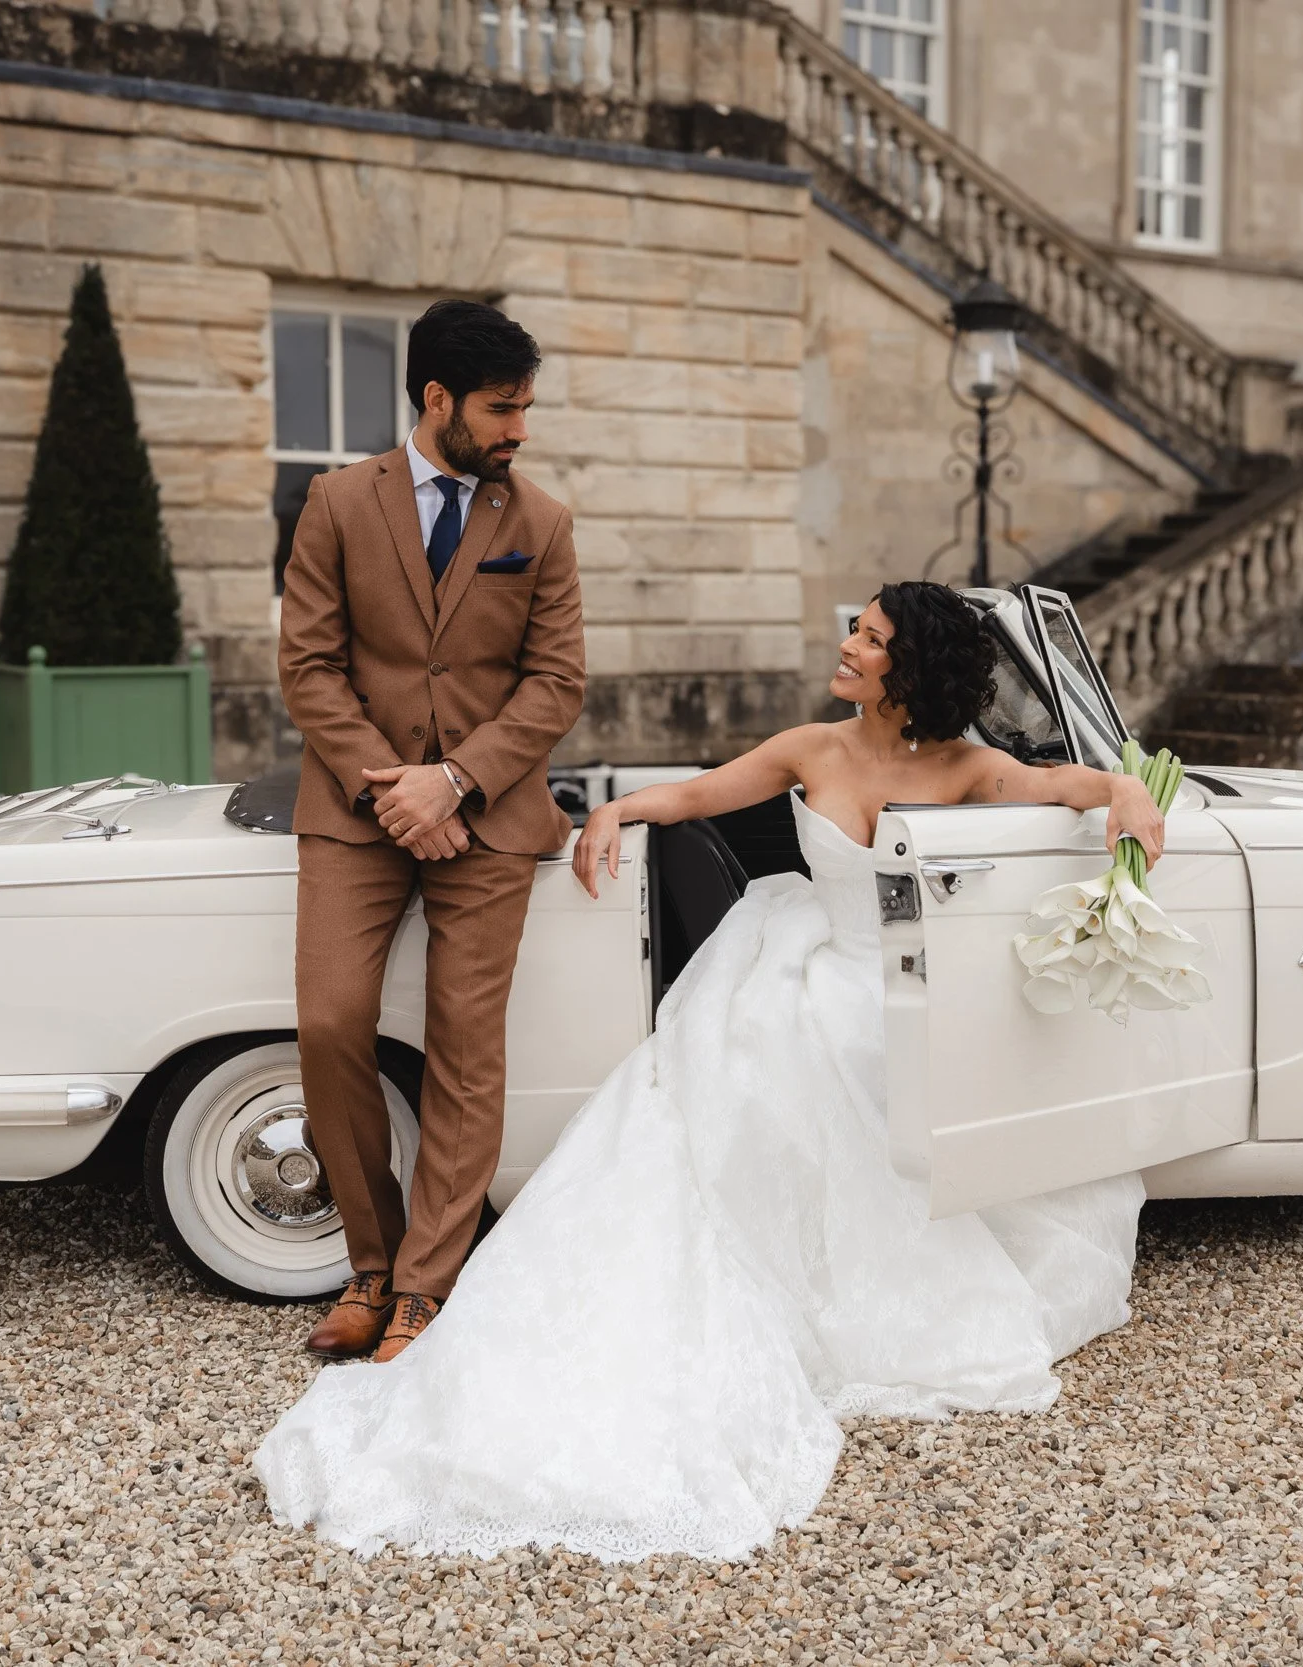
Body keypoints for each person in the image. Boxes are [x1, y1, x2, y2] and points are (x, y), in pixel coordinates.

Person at [255, 581, 1165, 1562]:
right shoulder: (811, 746)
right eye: (856, 629)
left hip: (899, 985)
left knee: (850, 1067)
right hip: (807, 966)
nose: (848, 644)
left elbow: (1062, 788)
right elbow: (698, 793)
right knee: (755, 1072)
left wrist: (1126, 793)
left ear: (909, 667)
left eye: (869, 638)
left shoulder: (971, 767)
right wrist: (615, 812)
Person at [276, 300, 584, 1365]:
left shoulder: (542, 522)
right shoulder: (335, 503)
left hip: (489, 816)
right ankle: (368, 1263)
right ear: (437, 397)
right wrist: (394, 794)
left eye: (526, 408)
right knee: (330, 1021)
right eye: (502, 409)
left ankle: (424, 1285)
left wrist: (453, 782)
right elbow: (308, 668)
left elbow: (556, 683)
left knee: (464, 1042)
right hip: (355, 811)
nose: (519, 431)